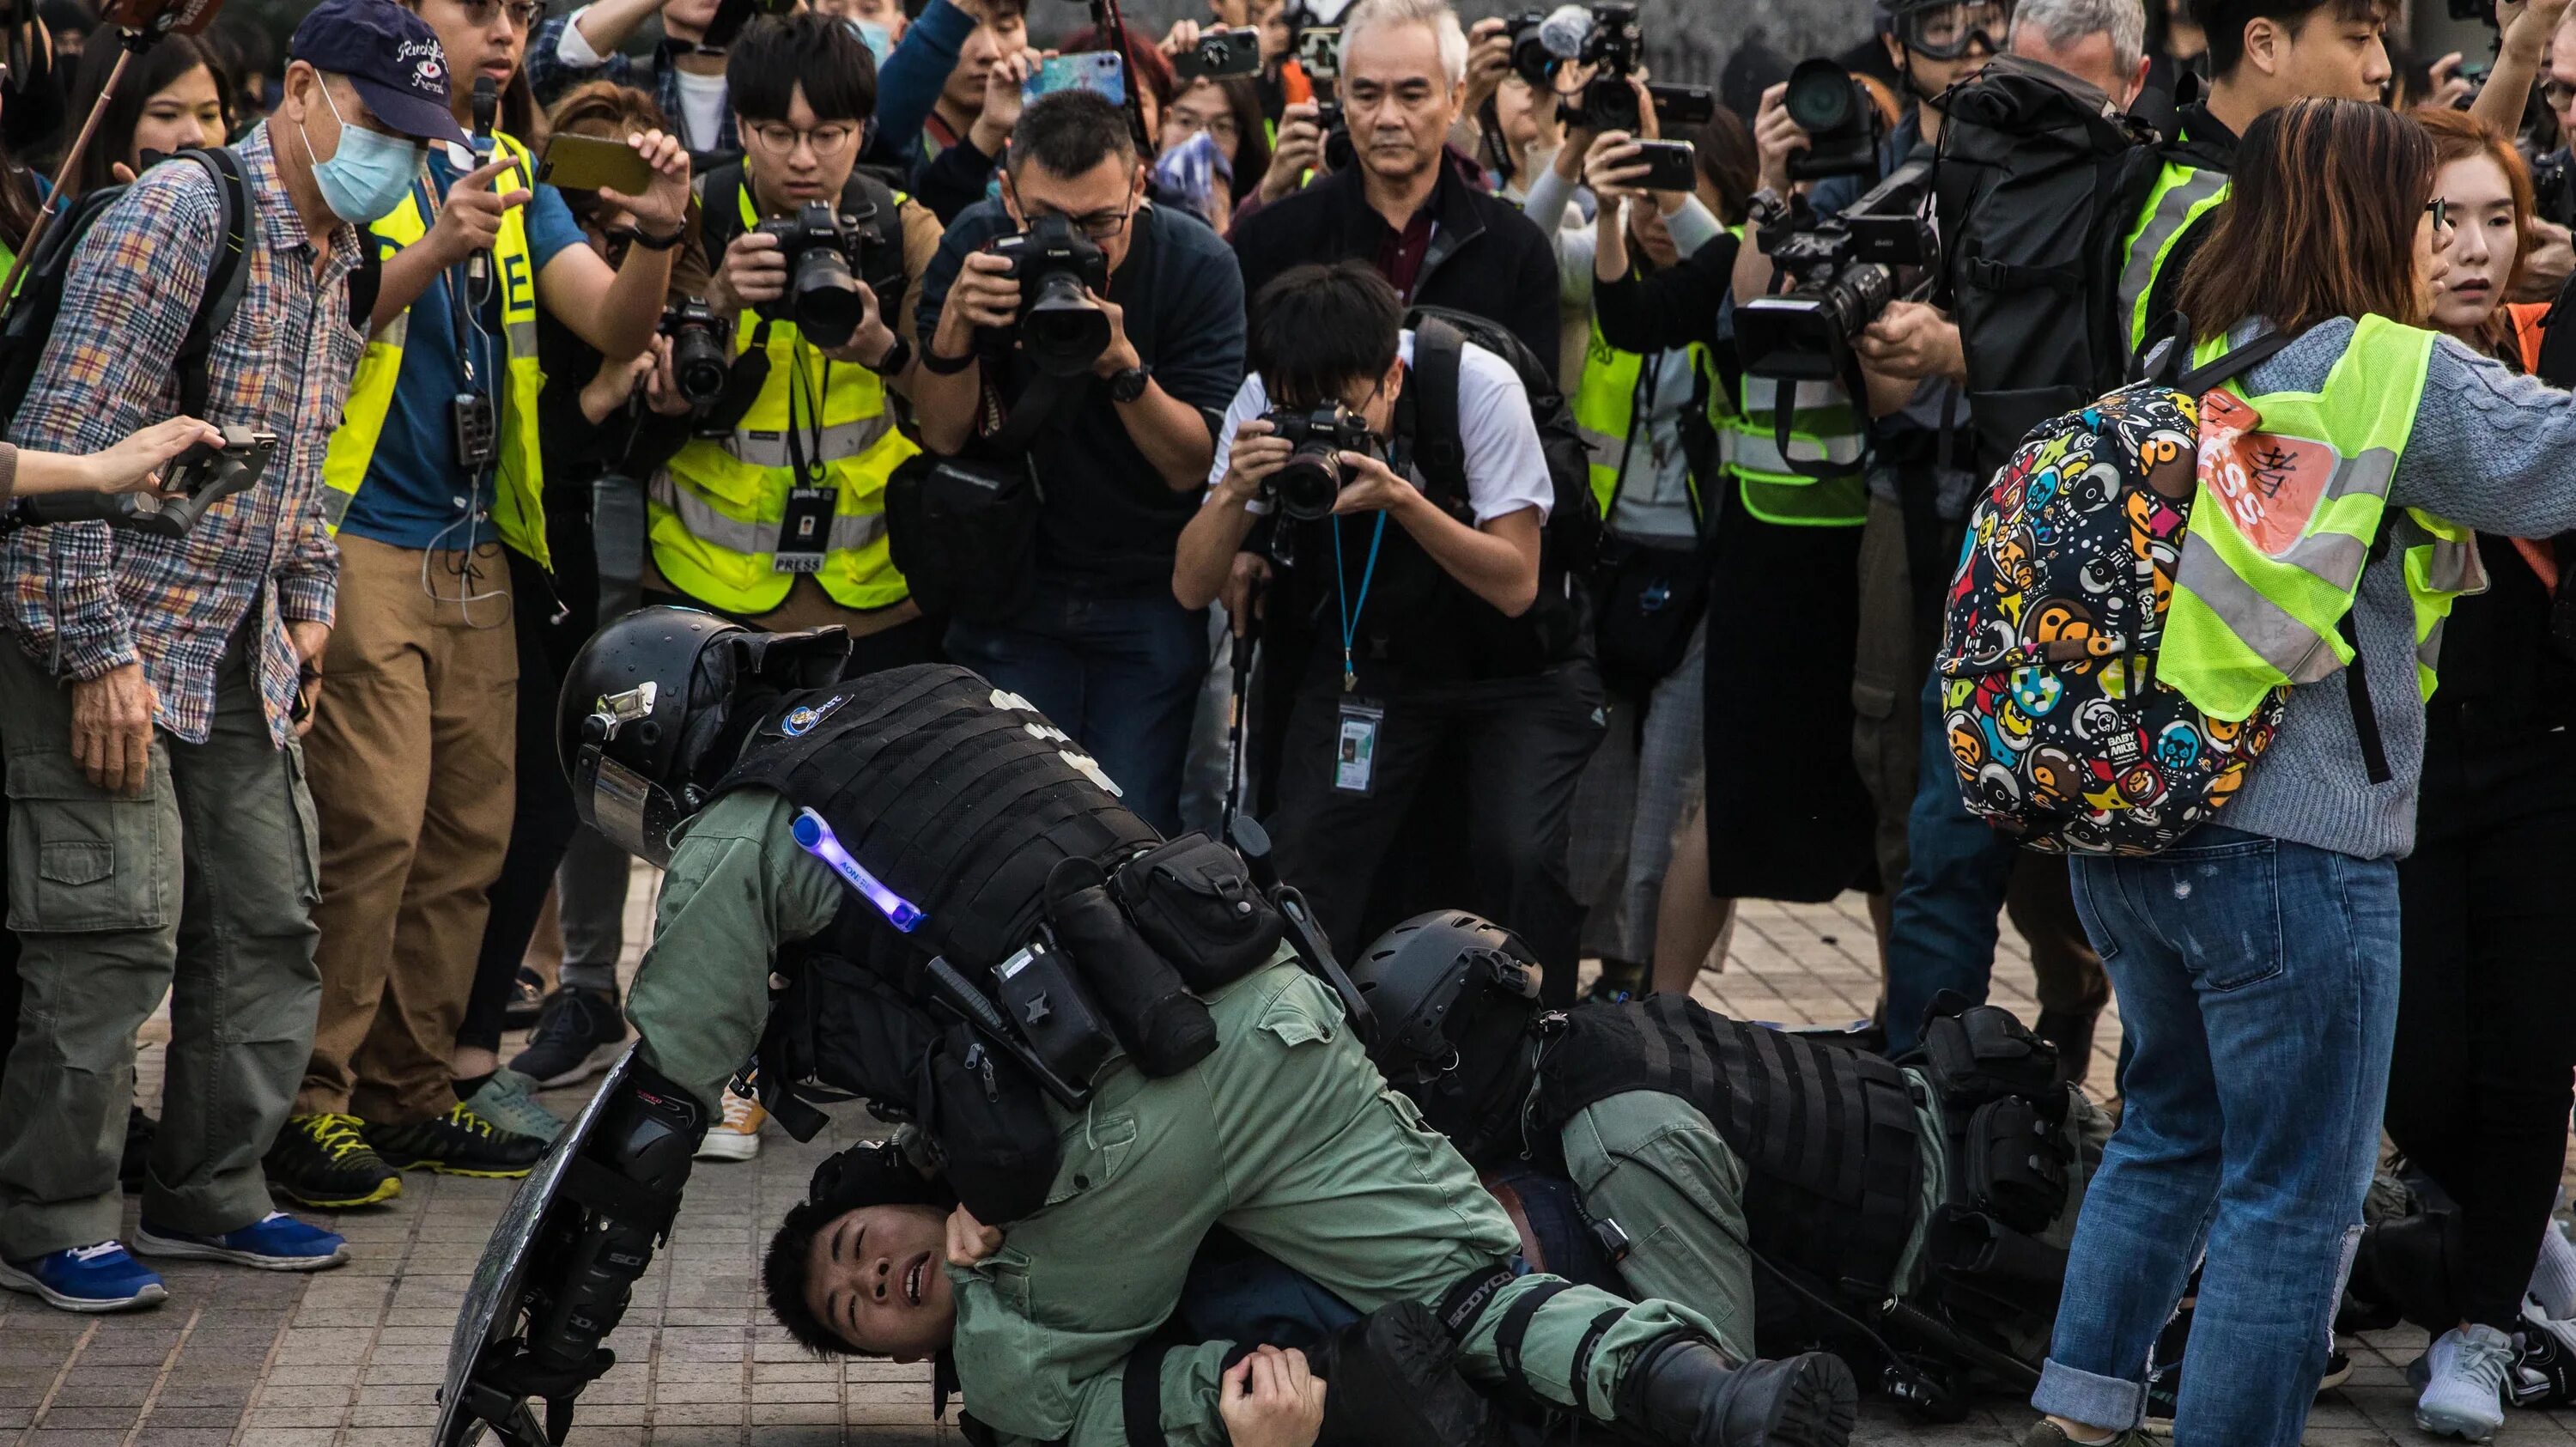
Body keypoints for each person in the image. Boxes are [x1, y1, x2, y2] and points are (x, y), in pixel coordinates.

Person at [468, 610, 1862, 1447]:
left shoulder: (746, 817)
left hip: (1112, 1117)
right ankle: (1708, 1395)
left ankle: (1269, 1411)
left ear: (643, 754)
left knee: (1027, 1402)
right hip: (1274, 1024)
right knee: (1474, 1285)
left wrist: (556, 1349)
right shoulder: (943, 694)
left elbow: (664, 1098)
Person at [2022, 97, 2576, 1447]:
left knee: (2168, 1135)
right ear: (2368, 218)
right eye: (2428, 212)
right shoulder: (2387, 369)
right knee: (2295, 1200)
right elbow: (2553, 465)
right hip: (2299, 845)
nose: (2446, 237)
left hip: (2141, 834)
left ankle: (2079, 1418)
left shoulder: (2192, 350)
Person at [0, 0, 472, 1312]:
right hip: (89, 626)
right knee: (112, 931)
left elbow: (302, 464)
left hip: (237, 641)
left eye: (420, 141)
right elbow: (62, 457)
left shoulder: (337, 248)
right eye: (383, 129)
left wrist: (310, 598)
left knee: (267, 920)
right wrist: (97, 655)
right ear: (304, 90)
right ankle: (52, 1213)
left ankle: (214, 1190)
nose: (404, 161)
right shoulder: (181, 218)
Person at [264, 0, 692, 1212]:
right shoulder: (338, 140)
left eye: (517, 12)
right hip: (357, 539)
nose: (505, 34)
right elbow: (301, 326)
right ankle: (311, 1106)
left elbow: (609, 321)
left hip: (480, 550)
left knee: (468, 838)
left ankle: (407, 1093)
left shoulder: (503, 167)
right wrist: (437, 249)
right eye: (476, 11)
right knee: (377, 831)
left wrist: (657, 236)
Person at [1339, 913, 2105, 1381]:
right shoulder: (1608, 1028)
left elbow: (1721, 1374)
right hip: (2032, 1133)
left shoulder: (1615, 1137)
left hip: (2036, 1260)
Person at [1175, 262, 1595, 994]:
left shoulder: (1477, 387)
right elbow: (1189, 585)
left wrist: (1403, 498)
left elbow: (1518, 583)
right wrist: (1237, 492)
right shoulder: (1262, 400)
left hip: (1521, 671)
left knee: (1516, 854)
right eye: (1295, 407)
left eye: (1338, 409)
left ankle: (1545, 1052)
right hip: (1372, 660)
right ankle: (1304, 1050)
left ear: (1392, 377)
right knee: (1306, 854)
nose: (1320, 429)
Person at [1874, 0, 2149, 1071]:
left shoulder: (2165, 193)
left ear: (2128, 87)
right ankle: (1918, 1114)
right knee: (1946, 852)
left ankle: (2148, 1133)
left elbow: (2149, 392)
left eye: (2061, 96)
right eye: (2016, 89)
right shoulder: (1967, 166)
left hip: (2131, 577)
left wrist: (1964, 357)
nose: (2031, 118)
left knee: (2140, 867)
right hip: (1998, 551)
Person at [452, 80, 715, 1152]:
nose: (605, 194)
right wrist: (602, 394)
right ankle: (447, 1049)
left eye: (627, 172)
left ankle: (465, 1046)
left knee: (553, 801)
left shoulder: (656, 271)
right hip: (507, 546)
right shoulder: (516, 220)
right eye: (587, 169)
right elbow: (536, 428)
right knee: (470, 812)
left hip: (595, 571)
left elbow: (660, 404)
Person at [2366, 103, 2576, 1443]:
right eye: (2445, 218)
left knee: (2530, 1059)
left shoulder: (2549, 355)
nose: (2474, 247)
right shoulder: (2357, 366)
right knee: (2414, 1068)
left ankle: (2485, 1327)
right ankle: (2508, 1256)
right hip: (2397, 774)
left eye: (2499, 218)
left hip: (2548, 759)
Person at [914, 88, 1245, 836]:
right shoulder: (977, 244)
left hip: (1148, 588)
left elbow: (1191, 466)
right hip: (1013, 583)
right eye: (1047, 223)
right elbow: (940, 434)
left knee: (1131, 830)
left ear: (1141, 187)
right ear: (1007, 195)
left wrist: (1124, 368)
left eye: (1101, 222)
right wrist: (956, 331)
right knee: (1010, 824)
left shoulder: (1198, 267)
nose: (1079, 247)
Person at [1529, 100, 1729, 997]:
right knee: (1595, 807)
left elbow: (1728, 260)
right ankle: (1584, 980)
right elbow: (1521, 245)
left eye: (1672, 202)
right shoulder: (1599, 266)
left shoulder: (1734, 295)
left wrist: (1681, 201)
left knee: (1669, 804)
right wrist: (1581, 172)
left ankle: (1650, 986)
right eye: (1643, 204)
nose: (1656, 221)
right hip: (1604, 576)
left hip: (1704, 584)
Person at [1228, 0, 1562, 375]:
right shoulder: (1273, 240)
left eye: (1412, 95)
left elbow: (1537, 417)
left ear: (1456, 99)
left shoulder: (1517, 250)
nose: (1388, 118)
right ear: (1341, 94)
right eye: (1367, 95)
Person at [2109, 0, 2391, 367]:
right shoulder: (2214, 218)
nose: (2381, 68)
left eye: (2380, 37)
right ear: (2264, 45)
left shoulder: (2287, 182)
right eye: (2359, 38)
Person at [905, 0, 1036, 222]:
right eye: (963, 27)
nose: (990, 52)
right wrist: (989, 132)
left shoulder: (1031, 140)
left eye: (1005, 27)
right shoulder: (893, 141)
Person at [64, 31, 231, 192]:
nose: (197, 137)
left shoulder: (247, 212)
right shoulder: (58, 216)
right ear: (111, 121)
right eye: (166, 114)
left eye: (208, 115)